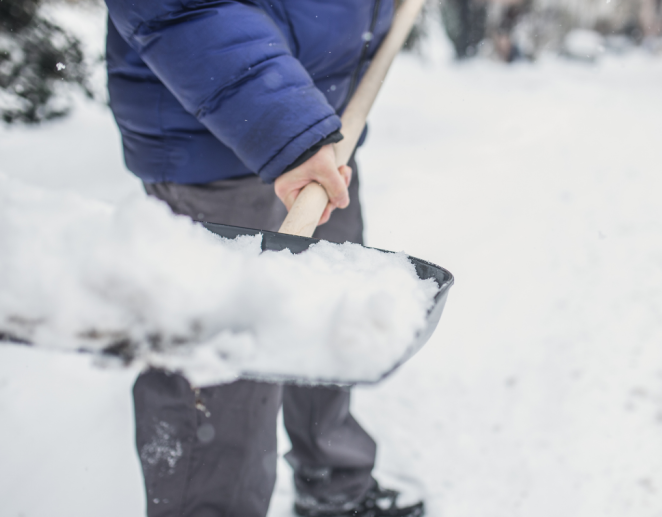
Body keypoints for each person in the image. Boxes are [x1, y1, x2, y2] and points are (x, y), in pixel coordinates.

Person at [103, 1, 424, 516]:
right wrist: (285, 127)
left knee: (324, 321)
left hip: (324, 130)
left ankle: (331, 484)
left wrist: (307, 131)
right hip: (214, 146)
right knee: (219, 376)